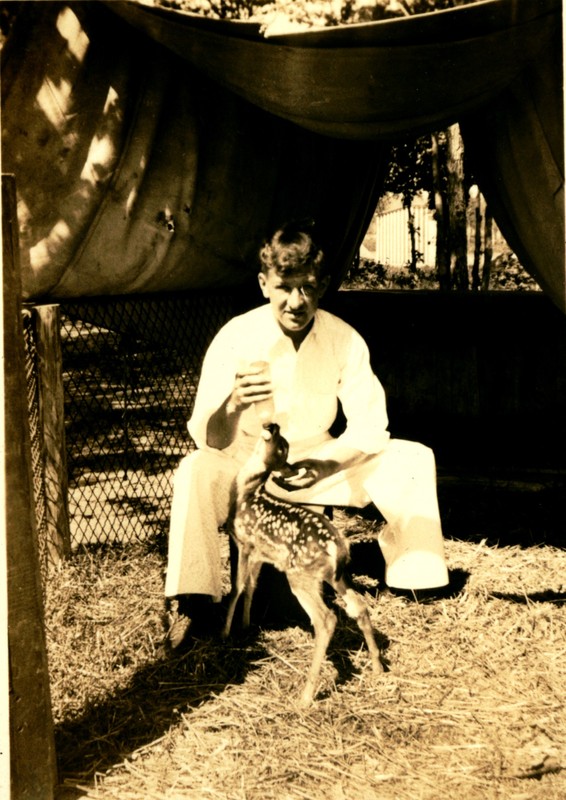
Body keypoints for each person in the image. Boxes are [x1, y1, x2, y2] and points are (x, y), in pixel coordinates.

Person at [165, 219, 449, 648]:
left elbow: (371, 426)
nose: (296, 301)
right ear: (264, 284)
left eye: (308, 287)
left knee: (412, 458)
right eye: (285, 287)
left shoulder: (343, 339)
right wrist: (233, 403)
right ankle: (194, 600)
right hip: (247, 460)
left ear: (324, 285)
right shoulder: (236, 336)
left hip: (316, 458)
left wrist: (324, 464)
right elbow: (210, 438)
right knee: (194, 469)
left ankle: (417, 576)